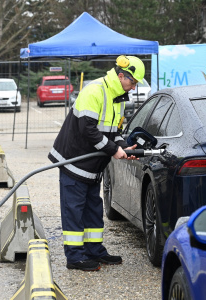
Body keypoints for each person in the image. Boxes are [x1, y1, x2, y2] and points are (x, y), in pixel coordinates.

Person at [48, 55, 145, 271]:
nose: (133, 87)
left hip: (92, 165)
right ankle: (74, 257)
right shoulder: (95, 91)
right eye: (132, 82)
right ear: (121, 76)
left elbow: (115, 131)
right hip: (74, 161)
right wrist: (113, 150)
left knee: (93, 207)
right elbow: (88, 130)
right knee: (74, 209)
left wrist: (123, 146)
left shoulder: (117, 97)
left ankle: (94, 250)